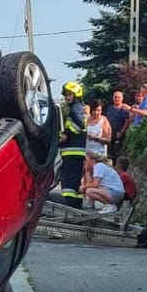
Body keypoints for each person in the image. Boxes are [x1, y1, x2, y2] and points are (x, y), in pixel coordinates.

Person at [59, 81, 87, 209]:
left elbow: (80, 124)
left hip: (72, 152)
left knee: (68, 181)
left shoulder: (76, 108)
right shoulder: (78, 108)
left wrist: (66, 135)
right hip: (75, 152)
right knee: (75, 181)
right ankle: (76, 205)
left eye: (69, 94)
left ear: (76, 94)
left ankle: (69, 205)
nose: (66, 97)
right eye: (65, 95)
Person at [80, 151, 126, 215]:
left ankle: (110, 205)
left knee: (89, 191)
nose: (84, 162)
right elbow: (91, 183)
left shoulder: (98, 166)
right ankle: (108, 205)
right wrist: (87, 171)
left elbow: (95, 185)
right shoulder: (97, 168)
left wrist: (83, 187)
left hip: (116, 193)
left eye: (85, 160)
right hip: (114, 193)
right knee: (89, 190)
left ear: (92, 161)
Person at [104, 91, 130, 163]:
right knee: (110, 152)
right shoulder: (110, 108)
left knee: (119, 152)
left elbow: (127, 121)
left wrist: (121, 132)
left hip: (120, 134)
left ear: (122, 98)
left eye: (118, 97)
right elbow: (106, 120)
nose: (117, 99)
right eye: (115, 97)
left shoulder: (124, 109)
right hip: (110, 133)